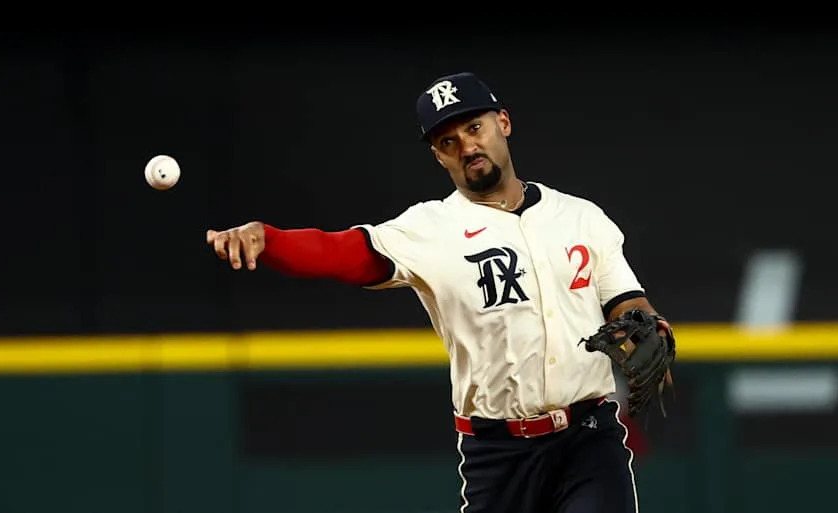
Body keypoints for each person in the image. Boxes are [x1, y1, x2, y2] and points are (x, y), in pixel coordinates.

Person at [206, 71, 672, 513]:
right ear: (438, 155)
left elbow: (627, 301)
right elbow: (343, 252)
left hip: (588, 436)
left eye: (475, 127)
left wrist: (648, 324)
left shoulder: (581, 217)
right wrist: (268, 238)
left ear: (503, 123)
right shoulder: (430, 229)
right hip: (499, 451)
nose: (467, 145)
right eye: (448, 141)